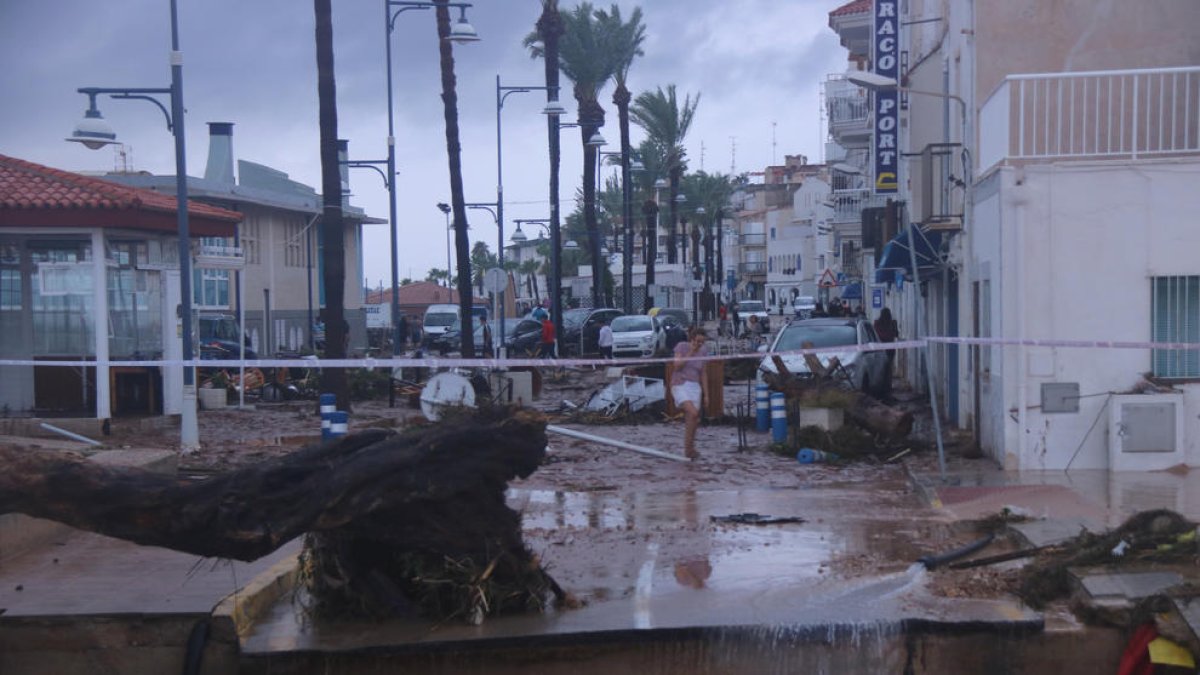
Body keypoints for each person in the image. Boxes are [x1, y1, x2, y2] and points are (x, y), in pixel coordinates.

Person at [671, 327, 710, 460]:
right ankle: (689, 449)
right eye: (698, 341)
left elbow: (703, 373)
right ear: (692, 339)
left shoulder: (704, 351)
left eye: (702, 342)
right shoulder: (681, 347)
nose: (699, 344)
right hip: (680, 384)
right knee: (693, 412)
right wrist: (691, 352)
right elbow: (677, 366)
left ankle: (689, 449)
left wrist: (706, 394)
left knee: (693, 419)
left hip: (695, 387)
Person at [874, 307, 899, 394]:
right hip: (890, 348)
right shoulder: (892, 323)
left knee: (882, 367)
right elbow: (896, 334)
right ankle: (888, 386)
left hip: (881, 349)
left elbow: (876, 334)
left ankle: (883, 386)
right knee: (888, 368)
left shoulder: (877, 323)